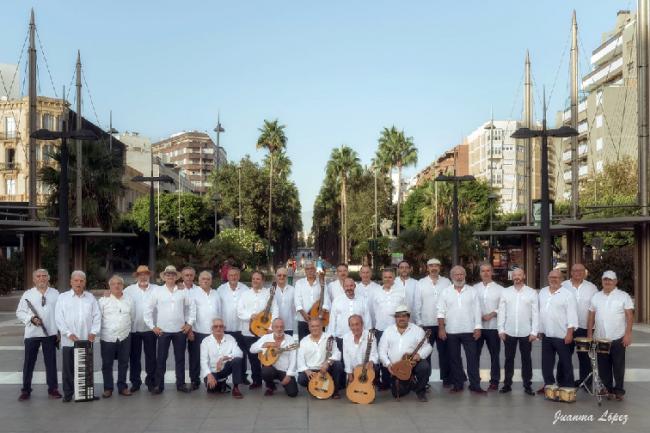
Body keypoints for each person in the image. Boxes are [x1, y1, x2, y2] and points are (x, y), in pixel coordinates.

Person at [145, 265, 196, 394]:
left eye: (172, 275)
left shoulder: (183, 290)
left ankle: (181, 384)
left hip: (180, 331)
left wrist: (189, 323)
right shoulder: (157, 291)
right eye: (168, 275)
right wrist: (152, 326)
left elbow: (192, 307)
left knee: (180, 359)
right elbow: (148, 310)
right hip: (163, 331)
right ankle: (158, 385)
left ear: (175, 277)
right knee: (161, 359)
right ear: (164, 277)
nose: (170, 276)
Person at [55, 270, 101, 402]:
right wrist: (68, 334)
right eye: (76, 280)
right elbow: (59, 318)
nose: (78, 283)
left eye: (81, 281)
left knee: (86, 368)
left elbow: (96, 316)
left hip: (86, 340)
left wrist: (93, 332)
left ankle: (87, 393)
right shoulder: (62, 297)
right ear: (71, 281)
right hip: (69, 341)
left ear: (85, 282)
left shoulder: (90, 298)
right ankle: (68, 394)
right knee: (68, 369)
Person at [437, 265, 485, 394]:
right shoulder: (445, 292)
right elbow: (440, 312)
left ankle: (475, 385)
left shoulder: (472, 291)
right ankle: (458, 384)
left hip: (469, 330)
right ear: (452, 277)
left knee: (472, 359)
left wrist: (478, 328)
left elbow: (477, 310)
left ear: (465, 276)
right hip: (451, 331)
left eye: (461, 274)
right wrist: (441, 328)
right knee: (454, 359)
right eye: (456, 275)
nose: (459, 277)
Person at [587, 271, 634, 400]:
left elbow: (629, 316)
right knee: (603, 366)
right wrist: (590, 334)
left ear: (615, 281)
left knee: (618, 366)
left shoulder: (623, 296)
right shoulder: (596, 296)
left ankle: (619, 390)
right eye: (605, 280)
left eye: (610, 280)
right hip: (600, 337)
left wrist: (628, 334)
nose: (607, 282)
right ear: (602, 281)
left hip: (618, 337)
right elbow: (591, 316)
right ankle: (607, 388)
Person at [16, 269, 61, 401]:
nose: (41, 278)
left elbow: (60, 313)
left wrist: (59, 331)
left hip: (50, 333)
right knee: (29, 363)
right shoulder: (27, 294)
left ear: (48, 278)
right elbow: (20, 312)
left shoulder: (56, 294)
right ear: (34, 279)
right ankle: (26, 390)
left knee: (51, 363)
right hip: (32, 333)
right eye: (38, 276)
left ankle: (53, 389)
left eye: (44, 276)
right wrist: (31, 318)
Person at [378, 305, 432, 402]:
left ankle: (420, 391)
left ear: (408, 317)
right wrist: (388, 364)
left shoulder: (417, 330)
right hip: (395, 367)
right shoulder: (388, 331)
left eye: (404, 316)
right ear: (395, 318)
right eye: (398, 316)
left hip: (412, 365)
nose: (401, 318)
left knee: (424, 366)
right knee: (396, 394)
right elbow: (381, 350)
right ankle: (410, 383)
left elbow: (428, 347)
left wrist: (419, 355)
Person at [497, 268, 538, 395]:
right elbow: (501, 311)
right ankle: (507, 384)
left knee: (526, 359)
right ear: (512, 277)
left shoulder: (531, 292)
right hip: (509, 331)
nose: (517, 277)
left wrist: (534, 332)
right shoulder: (505, 292)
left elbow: (536, 313)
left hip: (526, 332)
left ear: (524, 276)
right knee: (509, 358)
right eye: (514, 275)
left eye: (519, 274)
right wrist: (501, 329)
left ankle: (527, 385)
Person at [237, 270, 279, 389]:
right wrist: (251, 315)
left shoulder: (269, 293)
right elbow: (239, 311)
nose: (255, 281)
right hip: (248, 331)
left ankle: (269, 381)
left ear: (263, 280)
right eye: (253, 278)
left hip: (265, 331)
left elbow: (275, 310)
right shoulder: (245, 294)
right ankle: (257, 381)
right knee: (253, 357)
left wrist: (271, 328)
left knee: (266, 355)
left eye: (258, 279)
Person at [414, 258, 452, 386]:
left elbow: (449, 303)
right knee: (425, 354)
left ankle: (447, 379)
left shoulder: (446, 282)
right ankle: (425, 381)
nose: (434, 268)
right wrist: (419, 324)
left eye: (436, 265)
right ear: (427, 268)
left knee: (445, 353)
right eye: (431, 266)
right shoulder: (421, 283)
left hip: (443, 325)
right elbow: (417, 305)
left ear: (440, 267)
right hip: (426, 324)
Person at [538, 269, 578, 391]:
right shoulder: (543, 292)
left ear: (561, 279)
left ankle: (568, 387)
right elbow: (540, 312)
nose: (553, 279)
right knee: (547, 363)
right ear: (548, 278)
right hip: (547, 334)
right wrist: (540, 330)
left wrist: (570, 333)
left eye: (556, 277)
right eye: (551, 277)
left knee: (566, 363)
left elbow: (572, 315)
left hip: (562, 335)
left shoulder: (567, 295)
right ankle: (549, 385)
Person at [368, 267, 406, 390]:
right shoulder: (376, 292)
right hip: (380, 329)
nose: (388, 279)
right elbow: (373, 311)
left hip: (396, 329)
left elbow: (405, 310)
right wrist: (373, 327)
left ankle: (398, 380)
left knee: (395, 354)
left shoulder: (401, 291)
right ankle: (385, 382)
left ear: (394, 278)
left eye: (390, 277)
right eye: (385, 277)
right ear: (382, 278)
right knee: (382, 355)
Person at [123, 265, 158, 392]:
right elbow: (117, 296)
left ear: (149, 275)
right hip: (134, 329)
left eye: (145, 274)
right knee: (134, 358)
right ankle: (135, 382)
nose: (143, 276)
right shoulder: (128, 290)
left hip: (150, 329)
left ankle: (151, 381)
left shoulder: (157, 289)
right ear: (137, 276)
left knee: (151, 357)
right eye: (140, 274)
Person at [562, 263, 598, 387]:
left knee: (585, 358)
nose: (578, 273)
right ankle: (565, 382)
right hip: (567, 328)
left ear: (585, 273)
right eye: (575, 270)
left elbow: (594, 309)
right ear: (571, 272)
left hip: (584, 328)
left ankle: (586, 383)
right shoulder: (563, 286)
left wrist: (590, 331)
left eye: (581, 271)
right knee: (565, 357)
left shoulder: (592, 288)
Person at [98, 275, 134, 398]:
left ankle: (122, 387)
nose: (116, 286)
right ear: (109, 286)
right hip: (108, 337)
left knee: (124, 363)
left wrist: (127, 330)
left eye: (119, 283)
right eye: (113, 284)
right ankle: (108, 388)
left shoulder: (129, 300)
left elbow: (132, 317)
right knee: (107, 364)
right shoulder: (103, 301)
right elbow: (98, 318)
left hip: (124, 336)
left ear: (122, 286)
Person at [473, 263, 504, 391]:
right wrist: (479, 315)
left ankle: (494, 381)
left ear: (492, 272)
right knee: (474, 355)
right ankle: (474, 380)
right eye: (483, 271)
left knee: (495, 355)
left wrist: (492, 314)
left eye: (488, 271)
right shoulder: (474, 288)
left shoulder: (500, 289)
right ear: (479, 273)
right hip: (477, 327)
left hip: (493, 327)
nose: (485, 273)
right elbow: (471, 305)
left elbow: (503, 306)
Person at [215, 267, 250, 383]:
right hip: (226, 327)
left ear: (239, 276)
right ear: (227, 277)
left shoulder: (245, 289)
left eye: (235, 275)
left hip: (241, 328)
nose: (233, 277)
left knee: (242, 353)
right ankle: (223, 375)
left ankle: (242, 376)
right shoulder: (221, 289)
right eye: (231, 275)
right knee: (226, 352)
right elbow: (217, 308)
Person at [188, 271, 220, 390]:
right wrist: (190, 330)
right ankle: (194, 381)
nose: (205, 281)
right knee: (195, 358)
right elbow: (189, 314)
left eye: (208, 279)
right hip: (198, 331)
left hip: (213, 332)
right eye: (203, 279)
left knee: (213, 357)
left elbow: (219, 312)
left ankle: (213, 379)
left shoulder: (216, 294)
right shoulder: (193, 293)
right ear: (199, 280)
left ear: (211, 281)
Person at [250, 318, 298, 397]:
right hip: (271, 369)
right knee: (266, 371)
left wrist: (289, 375)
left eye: (281, 327)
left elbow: (293, 359)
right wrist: (264, 345)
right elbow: (252, 349)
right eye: (276, 327)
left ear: (284, 328)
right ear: (272, 328)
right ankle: (271, 386)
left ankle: (284, 382)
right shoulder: (266, 338)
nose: (279, 329)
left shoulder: (290, 340)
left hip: (284, 370)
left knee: (293, 393)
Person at [297, 318, 344, 399]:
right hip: (312, 371)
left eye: (317, 326)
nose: (315, 328)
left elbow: (337, 353)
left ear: (322, 326)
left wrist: (328, 362)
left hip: (326, 368)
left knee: (338, 365)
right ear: (309, 328)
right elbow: (300, 359)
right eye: (312, 326)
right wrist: (307, 370)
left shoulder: (329, 337)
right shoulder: (304, 341)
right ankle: (314, 386)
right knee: (301, 379)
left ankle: (335, 391)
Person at [327, 277, 371, 362]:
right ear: (343, 287)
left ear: (355, 286)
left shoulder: (362, 300)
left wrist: (368, 336)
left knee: (358, 363)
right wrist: (331, 336)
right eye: (346, 286)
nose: (349, 288)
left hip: (359, 339)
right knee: (342, 363)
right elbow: (333, 320)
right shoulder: (337, 301)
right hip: (341, 338)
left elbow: (367, 319)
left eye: (351, 286)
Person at [200, 318, 244, 398]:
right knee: (212, 390)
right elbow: (203, 361)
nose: (218, 328)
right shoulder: (205, 341)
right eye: (215, 326)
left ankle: (236, 388)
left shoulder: (230, 338)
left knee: (237, 360)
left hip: (225, 368)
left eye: (221, 326)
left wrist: (224, 358)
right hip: (212, 371)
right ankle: (222, 383)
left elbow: (240, 353)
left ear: (224, 328)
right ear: (212, 329)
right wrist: (209, 375)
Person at [294, 260, 330, 340]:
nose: (310, 271)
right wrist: (304, 315)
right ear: (305, 270)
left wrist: (320, 315)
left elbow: (326, 298)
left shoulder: (321, 282)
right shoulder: (299, 283)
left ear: (315, 270)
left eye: (312, 268)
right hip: (303, 320)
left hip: (318, 320)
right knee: (303, 344)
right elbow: (297, 300)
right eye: (307, 269)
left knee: (319, 343)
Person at [343, 314, 379, 389]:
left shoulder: (370, 336)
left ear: (362, 324)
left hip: (367, 370)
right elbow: (346, 358)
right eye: (352, 325)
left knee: (375, 367)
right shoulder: (346, 338)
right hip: (354, 371)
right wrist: (349, 374)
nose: (355, 327)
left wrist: (371, 362)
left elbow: (374, 354)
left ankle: (370, 384)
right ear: (349, 326)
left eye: (357, 324)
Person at [274, 267, 296, 336]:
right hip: (274, 327)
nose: (282, 277)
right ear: (276, 276)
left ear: (287, 277)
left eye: (284, 275)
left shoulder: (293, 290)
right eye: (279, 275)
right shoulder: (270, 290)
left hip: (289, 326)